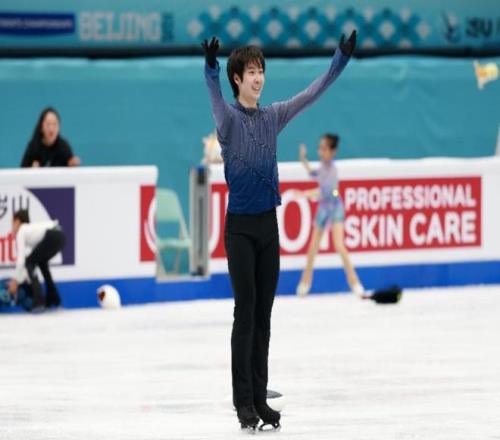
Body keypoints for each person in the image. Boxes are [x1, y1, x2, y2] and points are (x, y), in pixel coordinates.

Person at [202, 31, 356, 430]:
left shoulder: (273, 116)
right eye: (251, 72)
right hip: (239, 230)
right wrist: (211, 68)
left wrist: (339, 60)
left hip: (268, 227)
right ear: (238, 78)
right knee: (246, 313)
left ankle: (259, 397)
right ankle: (243, 402)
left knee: (264, 317)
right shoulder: (227, 120)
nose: (259, 78)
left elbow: (311, 94)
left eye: (261, 71)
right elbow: (215, 97)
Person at [294, 135, 365, 297]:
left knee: (339, 245)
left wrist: (305, 194)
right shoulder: (322, 167)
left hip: (335, 207)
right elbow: (313, 173)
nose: (321, 151)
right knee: (313, 247)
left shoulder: (333, 170)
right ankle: (305, 281)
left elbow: (325, 192)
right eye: (320, 148)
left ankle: (355, 282)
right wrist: (303, 159)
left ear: (332, 151)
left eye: (324, 148)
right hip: (324, 208)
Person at [6, 209, 66, 312]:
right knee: (41, 262)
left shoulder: (22, 230)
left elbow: (21, 260)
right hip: (61, 235)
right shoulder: (32, 231)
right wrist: (21, 278)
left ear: (17, 222)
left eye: (12, 223)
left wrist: (15, 281)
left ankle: (39, 302)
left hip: (52, 235)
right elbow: (33, 259)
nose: (12, 227)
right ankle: (54, 299)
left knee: (29, 262)